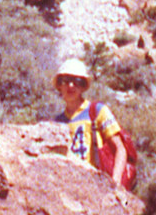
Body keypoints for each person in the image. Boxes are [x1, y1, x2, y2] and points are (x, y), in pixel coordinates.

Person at [54, 58, 128, 189]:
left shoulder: (97, 111)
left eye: (77, 82)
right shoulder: (57, 122)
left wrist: (115, 184)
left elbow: (120, 149)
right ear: (59, 85)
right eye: (65, 80)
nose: (71, 86)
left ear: (83, 86)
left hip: (95, 187)